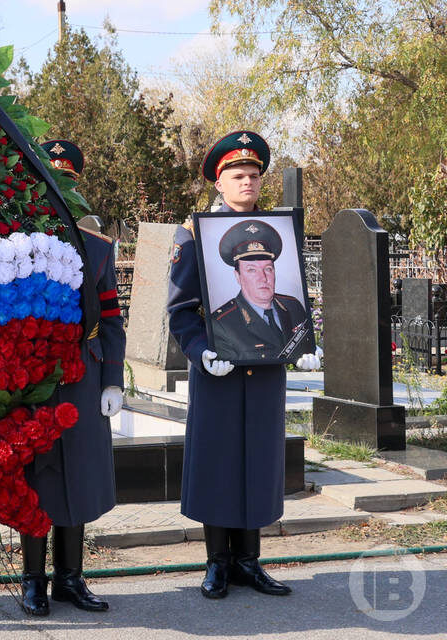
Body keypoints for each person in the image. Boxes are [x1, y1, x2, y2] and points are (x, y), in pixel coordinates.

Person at [167, 131, 321, 600]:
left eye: (254, 175)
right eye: (238, 175)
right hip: (218, 373)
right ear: (220, 182)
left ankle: (249, 563)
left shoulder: (279, 233)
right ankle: (217, 563)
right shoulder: (194, 235)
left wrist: (305, 342)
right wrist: (200, 352)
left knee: (258, 461)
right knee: (219, 462)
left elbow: (291, 297)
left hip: (265, 373)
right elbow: (180, 311)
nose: (248, 182)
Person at [20, 139, 126, 616]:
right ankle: (33, 582)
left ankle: (70, 579)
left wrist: (111, 380)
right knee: (36, 479)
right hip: (32, 376)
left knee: (79, 475)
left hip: (83, 374)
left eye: (67, 185)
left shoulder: (98, 251)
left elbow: (111, 319)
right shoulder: (15, 244)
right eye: (50, 183)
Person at [210, 219, 308, 361]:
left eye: (268, 269)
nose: (263, 278)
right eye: (251, 270)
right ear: (238, 276)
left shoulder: (294, 307)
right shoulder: (222, 323)